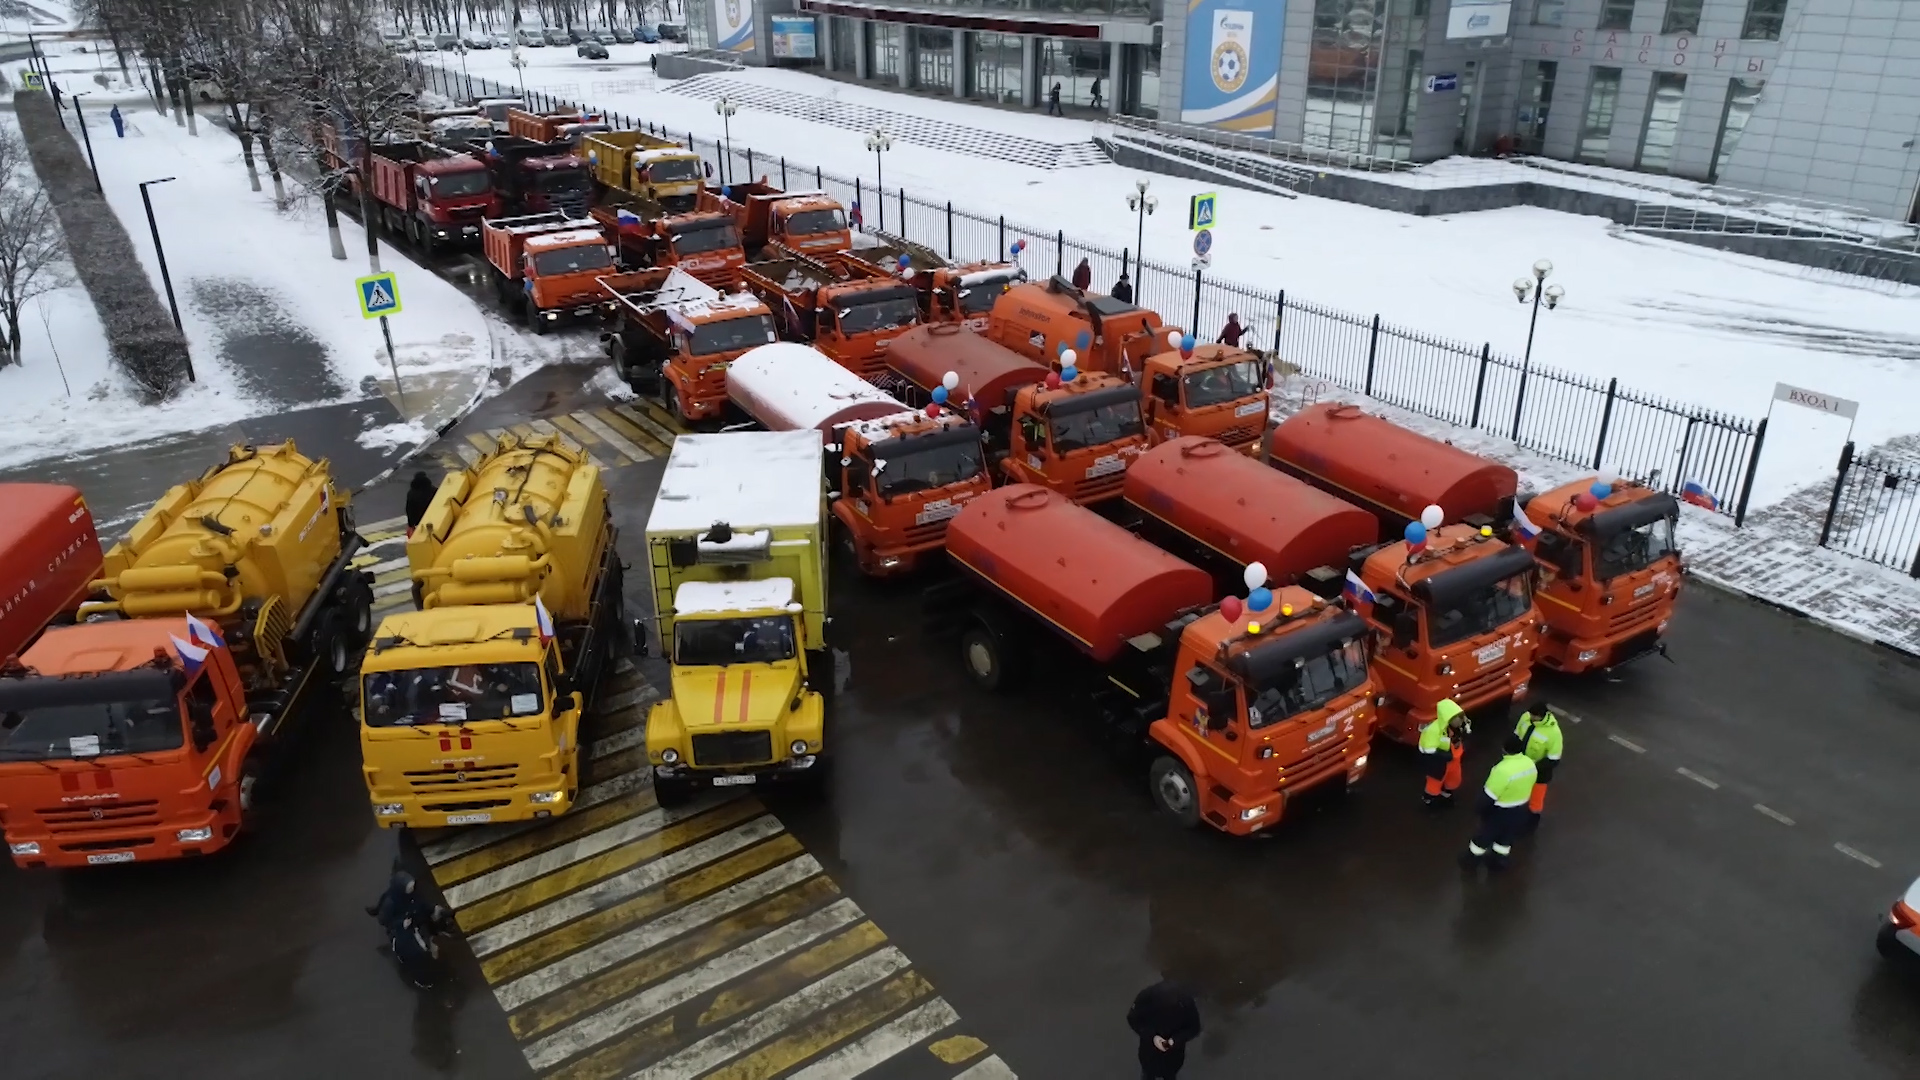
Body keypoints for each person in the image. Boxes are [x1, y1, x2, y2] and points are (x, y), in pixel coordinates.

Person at [1461, 735, 1537, 872]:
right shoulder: (1530, 763)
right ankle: (1499, 862)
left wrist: (1478, 808)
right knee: (1506, 838)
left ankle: (1471, 861)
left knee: (1484, 837)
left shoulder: (1502, 770)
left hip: (1500, 812)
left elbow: (1489, 795)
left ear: (1504, 749)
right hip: (1520, 810)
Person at [1128, 979, 1202, 1080]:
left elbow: (1194, 1028)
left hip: (1173, 1056)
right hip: (1149, 1053)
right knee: (1148, 1073)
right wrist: (1152, 1037)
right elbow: (1133, 1019)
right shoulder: (1146, 997)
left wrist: (1174, 1040)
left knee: (1169, 1075)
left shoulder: (1186, 1002)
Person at [1514, 709, 1564, 824]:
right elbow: (1517, 735)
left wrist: (1532, 768)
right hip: (1520, 766)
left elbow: (1554, 759)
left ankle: (1532, 819)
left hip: (1540, 772)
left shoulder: (1554, 733)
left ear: (1540, 715)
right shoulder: (1526, 717)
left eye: (1533, 715)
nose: (1530, 717)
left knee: (1536, 799)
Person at [1417, 698, 1469, 808]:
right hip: (1439, 764)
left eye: (1460, 716)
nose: (1460, 720)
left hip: (1454, 761)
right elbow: (1426, 749)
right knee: (1434, 783)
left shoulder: (1458, 726)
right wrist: (1445, 756)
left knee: (1453, 780)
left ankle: (1446, 793)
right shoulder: (1433, 730)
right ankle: (1429, 799)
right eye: (1457, 718)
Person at [405, 471, 436, 538]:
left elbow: (410, 510)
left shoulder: (411, 494)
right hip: (433, 517)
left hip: (419, 520)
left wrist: (410, 524)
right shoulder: (433, 490)